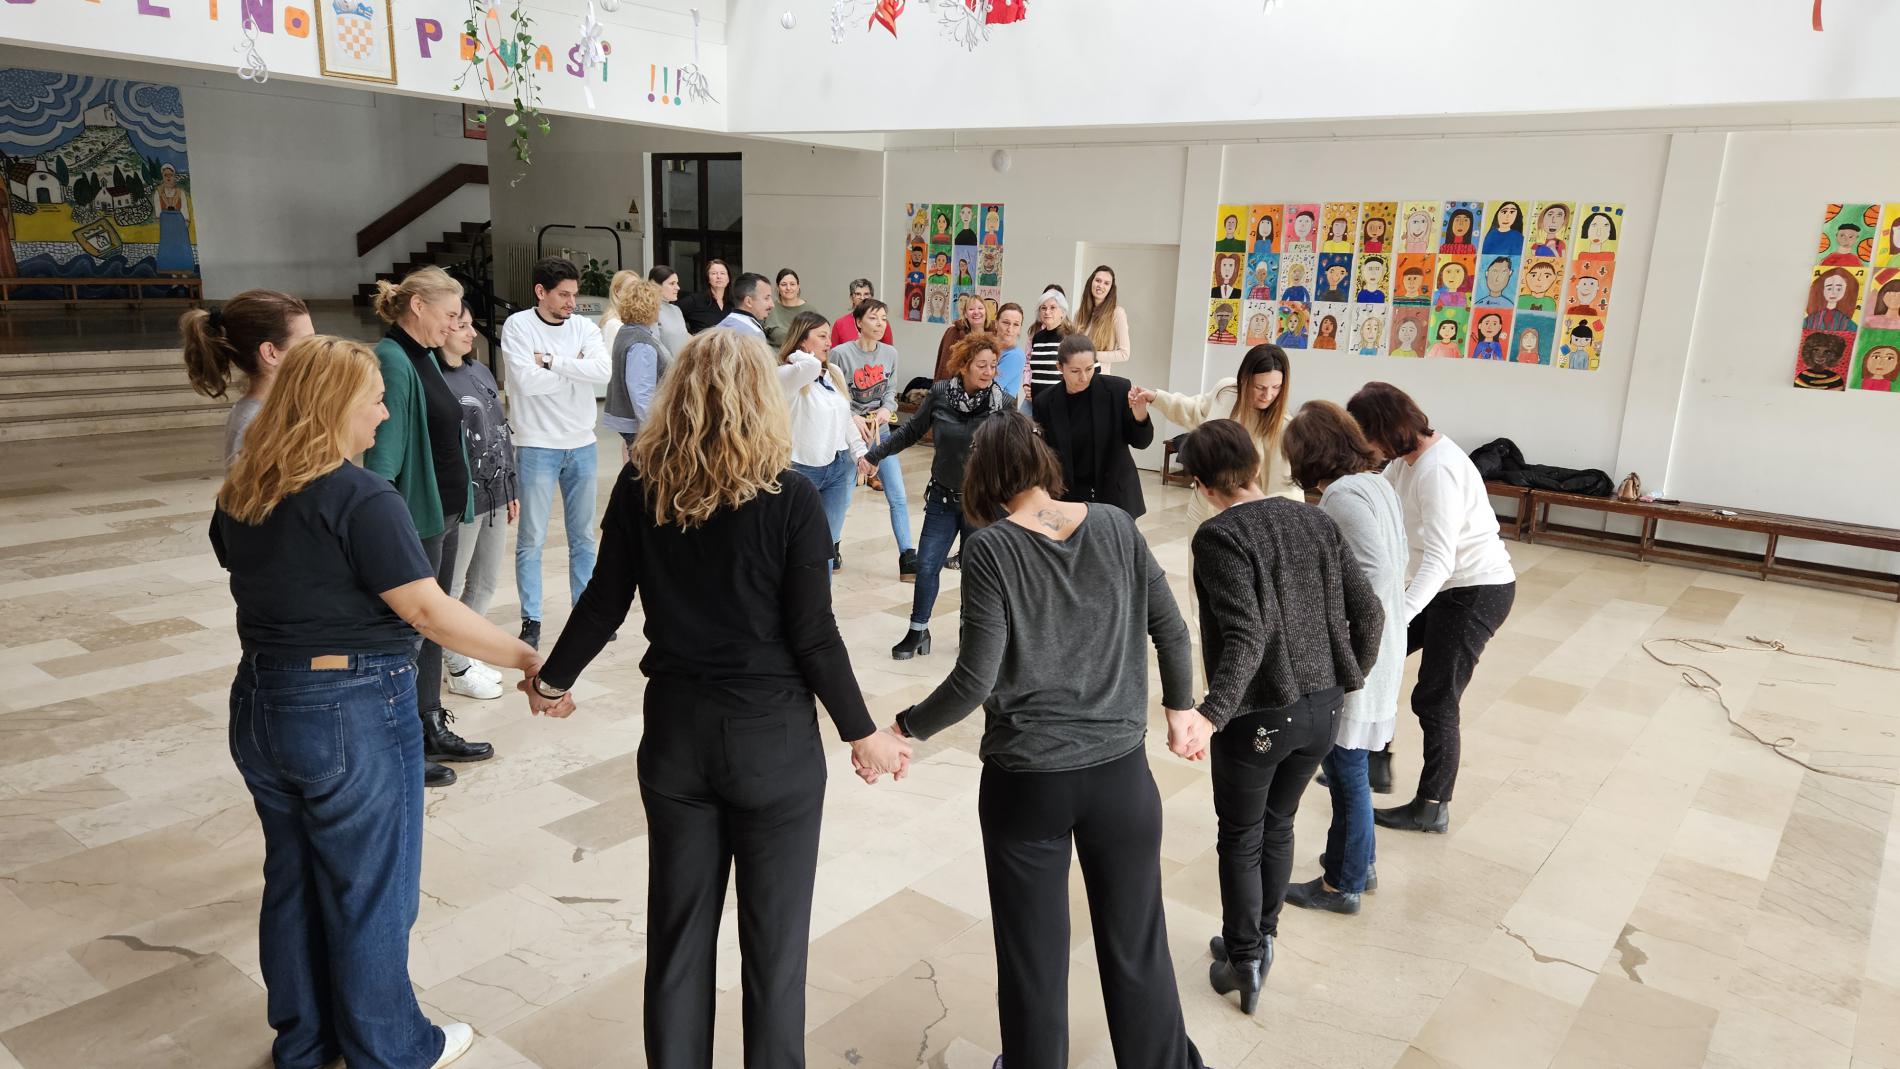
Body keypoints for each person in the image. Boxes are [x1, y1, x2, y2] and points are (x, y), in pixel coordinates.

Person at [528, 328, 913, 1068]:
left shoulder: (642, 486)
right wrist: (862, 733)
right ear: (764, 400)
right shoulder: (792, 498)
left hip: (677, 738)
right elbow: (814, 635)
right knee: (774, 955)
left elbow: (603, 601)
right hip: (773, 746)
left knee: (677, 942)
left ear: (677, 397)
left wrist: (553, 680)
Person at [214, 335, 542, 1069]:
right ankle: (391, 1048)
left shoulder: (242, 489)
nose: (385, 413)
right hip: (348, 706)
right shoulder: (360, 497)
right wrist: (525, 657)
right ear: (334, 407)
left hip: (262, 701)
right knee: (371, 889)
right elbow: (428, 611)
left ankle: (306, 1041)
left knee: (293, 877)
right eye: (375, 400)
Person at [880, 411, 1208, 1067]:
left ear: (981, 475)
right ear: (1042, 463)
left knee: (1032, 955)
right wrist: (1180, 710)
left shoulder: (990, 548)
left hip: (1027, 783)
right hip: (1121, 777)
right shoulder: (1116, 524)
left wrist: (903, 727)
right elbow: (1172, 630)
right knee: (1137, 942)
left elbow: (975, 677)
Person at [1168, 419, 1384, 1013]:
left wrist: (1211, 715)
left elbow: (1248, 635)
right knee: (1279, 822)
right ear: (1255, 466)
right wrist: (1347, 677)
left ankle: (1243, 960)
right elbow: (1370, 613)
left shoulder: (1218, 535)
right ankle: (1262, 939)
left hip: (1259, 716)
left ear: (1201, 485)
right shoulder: (1316, 520)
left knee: (1242, 836)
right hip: (1324, 710)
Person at [1347, 383, 1518, 832]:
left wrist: (1396, 617)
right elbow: (1376, 504)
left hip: (1475, 590)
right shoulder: (1404, 462)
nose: (1366, 448)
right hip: (1444, 587)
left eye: (1366, 438)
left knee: (1435, 699)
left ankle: (1432, 806)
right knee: (1374, 654)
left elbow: (1441, 560)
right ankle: (1374, 758)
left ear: (1385, 430)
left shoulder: (1436, 470)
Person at [1279, 401, 1407, 912]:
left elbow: (1375, 573)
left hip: (1362, 651)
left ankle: (1343, 883)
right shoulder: (1374, 482)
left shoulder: (1343, 495)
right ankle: (1361, 865)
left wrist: (1340, 637)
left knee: (1345, 767)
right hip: (1381, 642)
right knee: (1348, 762)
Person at [367, 267, 491, 787]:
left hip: (443, 511)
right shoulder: (394, 360)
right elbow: (384, 457)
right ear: (418, 306)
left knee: (435, 626)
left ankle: (430, 724)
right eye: (449, 313)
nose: (455, 324)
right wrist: (386, 527)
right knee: (409, 633)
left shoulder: (425, 356)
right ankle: (399, 742)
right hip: (415, 518)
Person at [859, 332, 1012, 659]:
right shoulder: (941, 394)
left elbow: (1019, 450)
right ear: (964, 365)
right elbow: (911, 432)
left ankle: (970, 632)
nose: (989, 372)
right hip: (943, 499)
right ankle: (918, 631)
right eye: (981, 365)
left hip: (982, 504)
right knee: (927, 566)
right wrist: (875, 455)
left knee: (976, 573)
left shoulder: (1002, 403)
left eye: (993, 366)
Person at [500, 257, 611, 651]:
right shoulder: (518, 326)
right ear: (540, 292)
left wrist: (549, 361)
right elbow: (525, 384)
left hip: (582, 443)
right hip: (536, 445)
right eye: (563, 295)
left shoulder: (583, 327)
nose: (571, 303)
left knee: (583, 537)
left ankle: (585, 613)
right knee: (531, 538)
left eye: (574, 295)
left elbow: (602, 373)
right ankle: (531, 619)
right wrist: (575, 371)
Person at [437, 302, 520, 703]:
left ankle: (464, 653)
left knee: (484, 582)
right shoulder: (433, 378)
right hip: (462, 498)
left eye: (472, 325)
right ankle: (456, 666)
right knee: (451, 586)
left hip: (495, 492)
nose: (472, 333)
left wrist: (511, 486)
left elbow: (500, 429)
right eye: (463, 326)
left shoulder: (481, 371)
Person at [1135, 343, 1299, 524]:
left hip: (1241, 517)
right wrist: (1156, 398)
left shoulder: (1283, 426)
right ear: (1245, 379)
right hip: (1203, 504)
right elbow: (1195, 411)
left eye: (1276, 387)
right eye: (1260, 387)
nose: (1267, 395)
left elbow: (1286, 488)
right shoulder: (1226, 392)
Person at [829, 299, 918, 581]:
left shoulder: (890, 353)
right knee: (843, 495)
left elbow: (891, 392)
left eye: (884, 318)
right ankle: (832, 547)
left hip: (881, 433)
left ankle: (907, 555)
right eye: (873, 318)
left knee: (898, 494)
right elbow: (833, 395)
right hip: (850, 433)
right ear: (858, 322)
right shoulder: (840, 354)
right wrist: (852, 417)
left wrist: (885, 410)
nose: (880, 323)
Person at [180, 289, 314, 465]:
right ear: (270, 353)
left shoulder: (270, 412)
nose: (317, 350)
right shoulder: (259, 424)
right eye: (307, 342)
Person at [777, 310, 866, 575]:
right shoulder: (787, 373)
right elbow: (809, 367)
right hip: (802, 468)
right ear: (802, 340)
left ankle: (821, 600)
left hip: (839, 467)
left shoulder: (833, 372)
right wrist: (798, 354)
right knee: (794, 543)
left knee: (825, 545)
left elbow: (845, 418)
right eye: (822, 336)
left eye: (829, 336)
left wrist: (861, 453)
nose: (829, 342)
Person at [1032, 334, 1153, 517]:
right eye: (1075, 371)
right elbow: (1045, 455)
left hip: (1115, 496)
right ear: (1060, 367)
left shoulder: (1117, 389)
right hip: (1069, 499)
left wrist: (1140, 414)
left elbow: (1141, 442)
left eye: (1089, 369)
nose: (1084, 377)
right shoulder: (1045, 402)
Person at [602, 278, 669, 450]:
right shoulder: (641, 343)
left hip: (629, 420)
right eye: (658, 305)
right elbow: (641, 392)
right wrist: (652, 431)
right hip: (641, 425)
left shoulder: (626, 331)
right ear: (650, 307)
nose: (660, 310)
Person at [1075, 264, 1132, 367]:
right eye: (1098, 280)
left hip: (1100, 375)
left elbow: (1124, 354)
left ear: (1111, 288)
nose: (1100, 286)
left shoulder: (1117, 313)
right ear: (1091, 282)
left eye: (1106, 283)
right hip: (1077, 374)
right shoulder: (1079, 314)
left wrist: (1091, 355)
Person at [1027, 288, 1074, 394]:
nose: (1047, 312)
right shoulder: (1037, 337)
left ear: (1062, 312)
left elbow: (1094, 368)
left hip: (1059, 399)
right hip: (1037, 400)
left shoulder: (1070, 337)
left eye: (1053, 307)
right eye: (1043, 308)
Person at [933, 293, 989, 380]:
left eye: (980, 308)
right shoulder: (954, 334)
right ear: (965, 314)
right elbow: (944, 368)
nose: (976, 312)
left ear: (986, 312)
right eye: (971, 309)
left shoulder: (995, 336)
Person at [832, 278, 894, 345]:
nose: (862, 298)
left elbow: (888, 349)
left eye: (866, 294)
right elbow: (834, 350)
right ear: (851, 298)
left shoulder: (881, 322)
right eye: (858, 294)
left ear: (871, 298)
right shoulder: (840, 323)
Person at [679, 258, 733, 333]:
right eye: (714, 273)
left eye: (722, 273)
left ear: (728, 279)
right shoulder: (695, 300)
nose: (719, 277)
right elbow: (671, 317)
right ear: (708, 279)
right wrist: (688, 336)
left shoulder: (733, 304)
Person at [649, 265, 691, 357]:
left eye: (677, 283)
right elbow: (655, 343)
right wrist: (672, 364)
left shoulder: (676, 310)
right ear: (655, 286)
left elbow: (684, 339)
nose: (678, 287)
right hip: (666, 365)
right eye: (672, 284)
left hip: (682, 364)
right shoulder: (650, 309)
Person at [595, 269, 642, 350]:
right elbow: (610, 357)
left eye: (639, 289)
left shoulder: (631, 320)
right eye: (631, 289)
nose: (636, 294)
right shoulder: (613, 324)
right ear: (617, 291)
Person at [763, 267, 810, 348]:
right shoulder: (769, 309)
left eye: (792, 284)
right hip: (774, 355)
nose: (788, 288)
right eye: (784, 284)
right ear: (777, 287)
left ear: (798, 286)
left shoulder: (810, 311)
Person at [718, 271, 774, 337]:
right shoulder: (754, 333)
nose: (772, 305)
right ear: (748, 302)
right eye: (766, 298)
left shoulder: (719, 328)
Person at [993, 301, 1028, 404]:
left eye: (1016, 324)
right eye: (1006, 323)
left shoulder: (1015, 356)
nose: (1010, 329)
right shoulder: (989, 349)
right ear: (996, 323)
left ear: (1020, 329)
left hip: (998, 411)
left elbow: (989, 386)